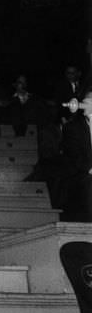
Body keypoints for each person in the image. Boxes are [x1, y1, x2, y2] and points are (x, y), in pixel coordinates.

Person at [60, 89, 92, 221]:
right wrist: (90, 169)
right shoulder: (73, 127)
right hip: (83, 174)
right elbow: (74, 156)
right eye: (88, 100)